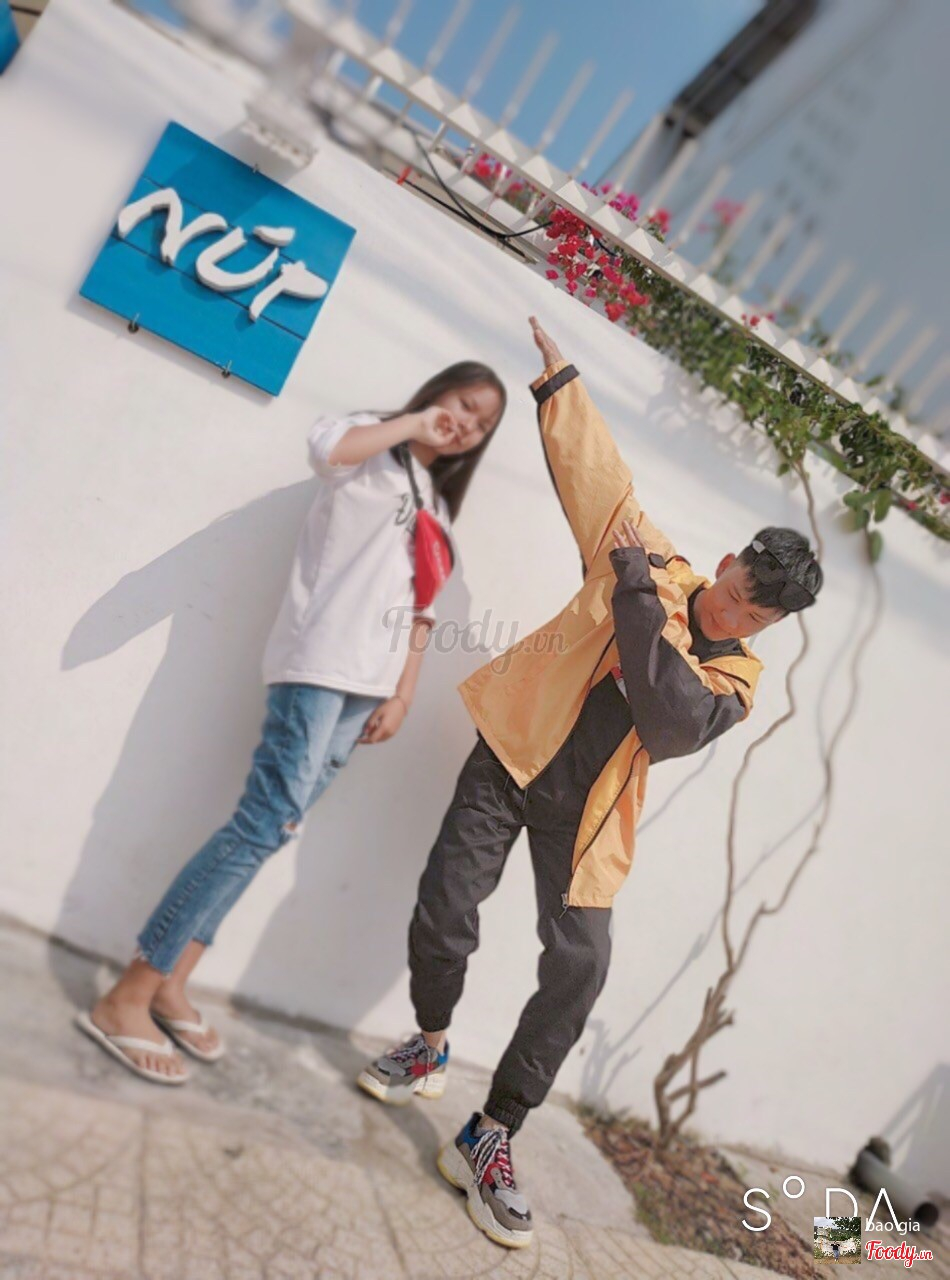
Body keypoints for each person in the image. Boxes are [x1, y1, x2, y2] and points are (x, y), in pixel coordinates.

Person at [358, 315, 824, 1250]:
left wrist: (639, 598)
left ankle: (492, 1135)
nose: (737, 614)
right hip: (511, 757)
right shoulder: (652, 556)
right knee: (446, 905)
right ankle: (430, 1044)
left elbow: (670, 718)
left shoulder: (736, 679)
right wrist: (561, 378)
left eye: (756, 617)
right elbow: (597, 474)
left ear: (772, 628)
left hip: (588, 818)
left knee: (580, 967)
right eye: (737, 593)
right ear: (727, 563)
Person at [76, 362, 507, 1084]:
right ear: (437, 394)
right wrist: (412, 424)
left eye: (482, 424)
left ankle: (174, 981)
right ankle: (127, 995)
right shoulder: (370, 447)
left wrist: (401, 693)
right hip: (317, 667)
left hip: (365, 692)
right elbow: (326, 450)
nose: (467, 424)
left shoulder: (434, 500)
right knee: (258, 826)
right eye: (464, 405)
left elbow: (421, 610)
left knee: (270, 832)